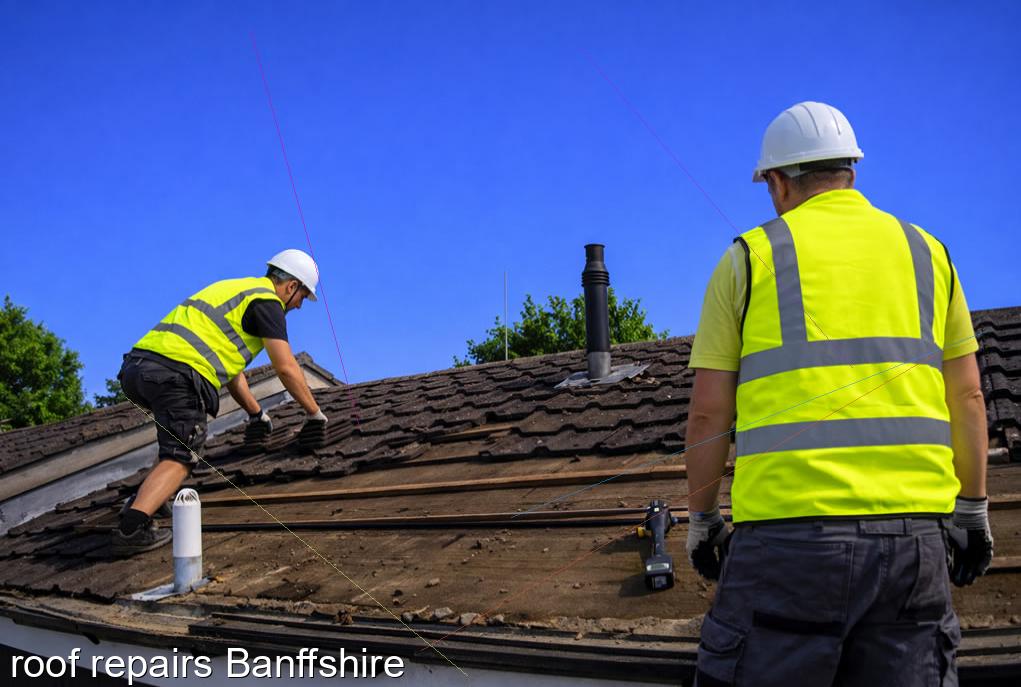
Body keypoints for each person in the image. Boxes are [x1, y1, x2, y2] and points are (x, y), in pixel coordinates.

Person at [683, 101, 993, 686]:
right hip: (914, 546)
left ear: (778, 182)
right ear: (851, 170)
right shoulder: (928, 252)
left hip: (786, 544)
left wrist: (702, 520)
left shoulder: (747, 256)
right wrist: (972, 511)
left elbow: (708, 413)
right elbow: (969, 398)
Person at [112, 249, 329, 556]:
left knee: (175, 438)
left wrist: (256, 414)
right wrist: (315, 413)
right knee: (183, 454)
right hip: (177, 373)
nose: (299, 306)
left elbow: (231, 372)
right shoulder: (268, 303)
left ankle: (147, 499)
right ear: (291, 286)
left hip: (138, 370)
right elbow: (286, 367)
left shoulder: (233, 289)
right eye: (303, 297)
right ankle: (132, 528)